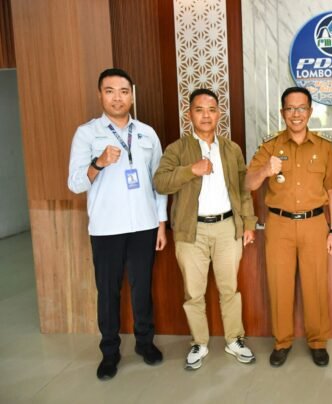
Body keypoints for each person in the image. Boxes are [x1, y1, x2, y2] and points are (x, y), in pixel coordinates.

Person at [68, 68, 167, 380]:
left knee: (142, 289)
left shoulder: (147, 133)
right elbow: (74, 183)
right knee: (108, 292)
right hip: (106, 228)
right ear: (100, 95)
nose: (117, 98)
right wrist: (98, 163)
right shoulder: (87, 134)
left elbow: (159, 182)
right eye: (110, 91)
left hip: (144, 226)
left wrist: (161, 223)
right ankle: (109, 352)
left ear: (132, 96)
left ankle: (145, 343)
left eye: (124, 91)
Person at [153, 89, 257, 370]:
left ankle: (234, 339)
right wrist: (191, 170)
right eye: (199, 110)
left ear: (219, 113)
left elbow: (243, 189)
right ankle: (199, 343)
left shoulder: (231, 149)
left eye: (211, 109)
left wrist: (248, 223)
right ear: (190, 114)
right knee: (194, 292)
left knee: (229, 289)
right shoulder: (177, 149)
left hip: (226, 227)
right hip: (191, 231)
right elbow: (160, 183)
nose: (206, 115)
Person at [245, 87, 332, 367]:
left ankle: (318, 342)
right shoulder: (270, 146)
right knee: (279, 284)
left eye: (301, 108)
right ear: (282, 112)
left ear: (310, 111)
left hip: (314, 224)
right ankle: (282, 342)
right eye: (290, 108)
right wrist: (265, 170)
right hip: (279, 225)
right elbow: (248, 183)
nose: (296, 114)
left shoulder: (324, 147)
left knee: (315, 285)